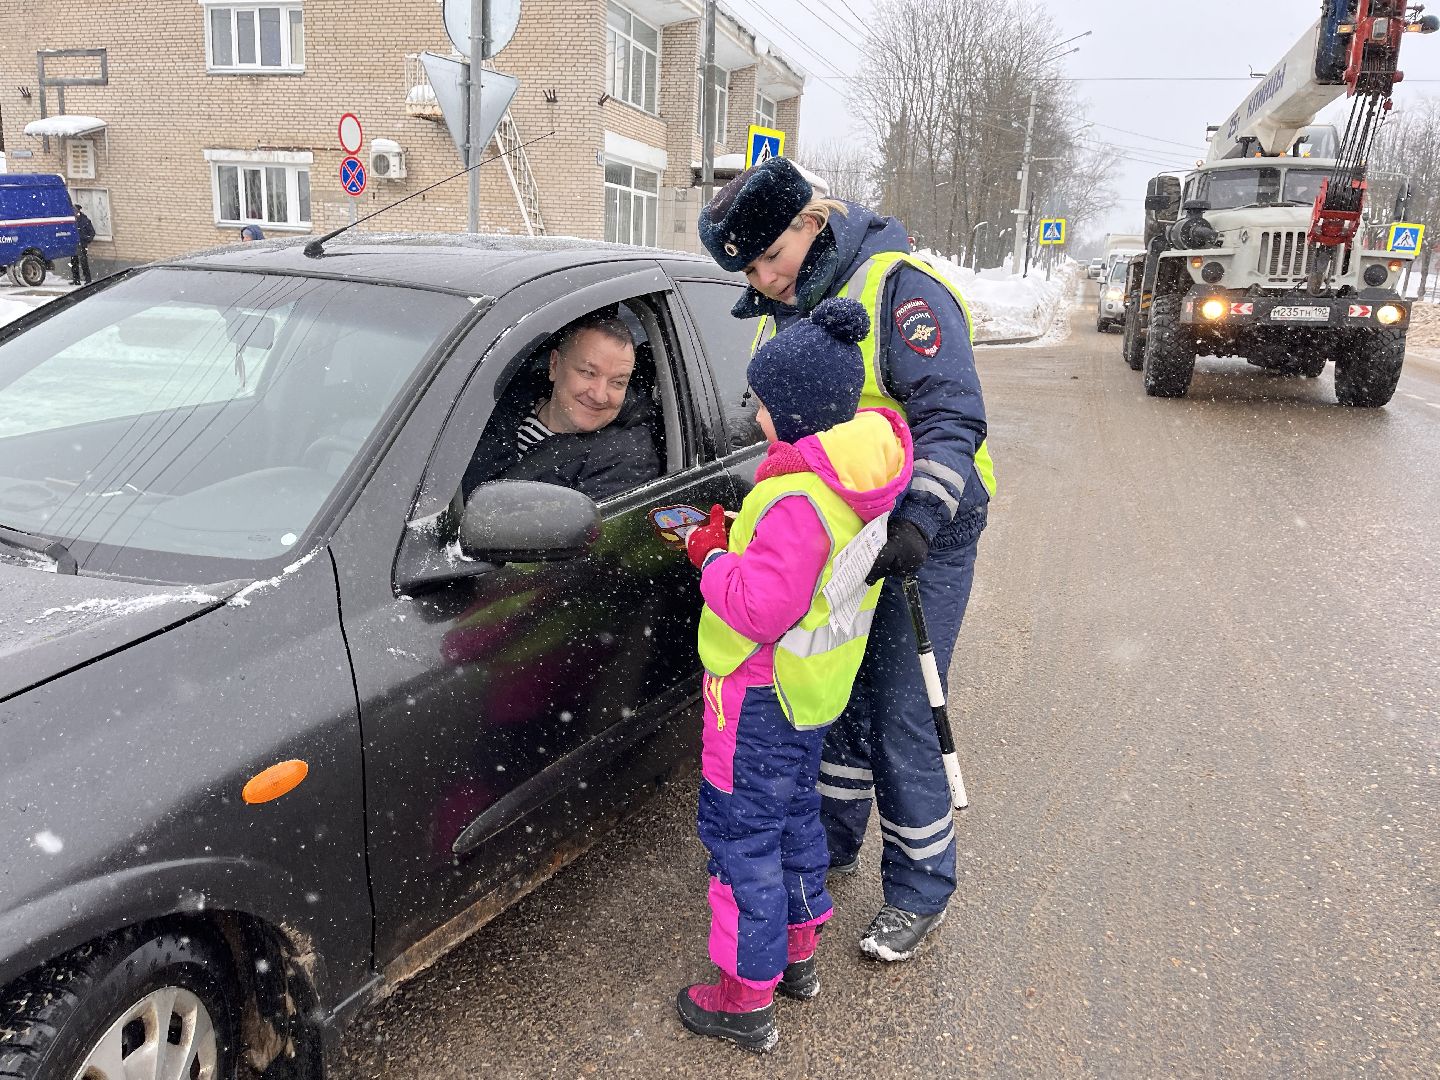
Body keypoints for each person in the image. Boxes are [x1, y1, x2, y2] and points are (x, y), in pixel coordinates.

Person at [698, 156, 995, 962]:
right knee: (833, 698)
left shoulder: (901, 289)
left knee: (899, 709)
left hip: (920, 540)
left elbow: (951, 417)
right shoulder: (782, 305)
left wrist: (922, 523)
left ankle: (922, 887)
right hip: (840, 538)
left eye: (771, 256)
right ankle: (832, 843)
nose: (766, 278)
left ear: (810, 221)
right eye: (750, 268)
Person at [676, 297, 914, 1052]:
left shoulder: (793, 500)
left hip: (754, 695)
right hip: (806, 698)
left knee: (739, 837)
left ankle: (744, 997)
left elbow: (756, 606)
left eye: (765, 406)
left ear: (796, 413)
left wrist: (710, 558)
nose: (754, 419)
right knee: (791, 823)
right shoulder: (854, 479)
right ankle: (799, 959)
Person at [462, 312, 661, 502]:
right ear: (555, 365)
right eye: (588, 373)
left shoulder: (626, 459)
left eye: (618, 382)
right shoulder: (498, 402)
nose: (599, 395)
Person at [70, 207, 95, 285]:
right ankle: (76, 279)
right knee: (74, 262)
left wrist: (86, 240)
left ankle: (88, 280)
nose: (74, 213)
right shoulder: (71, 221)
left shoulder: (85, 221)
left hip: (82, 244)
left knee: (84, 262)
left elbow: (92, 232)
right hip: (74, 244)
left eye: (76, 211)